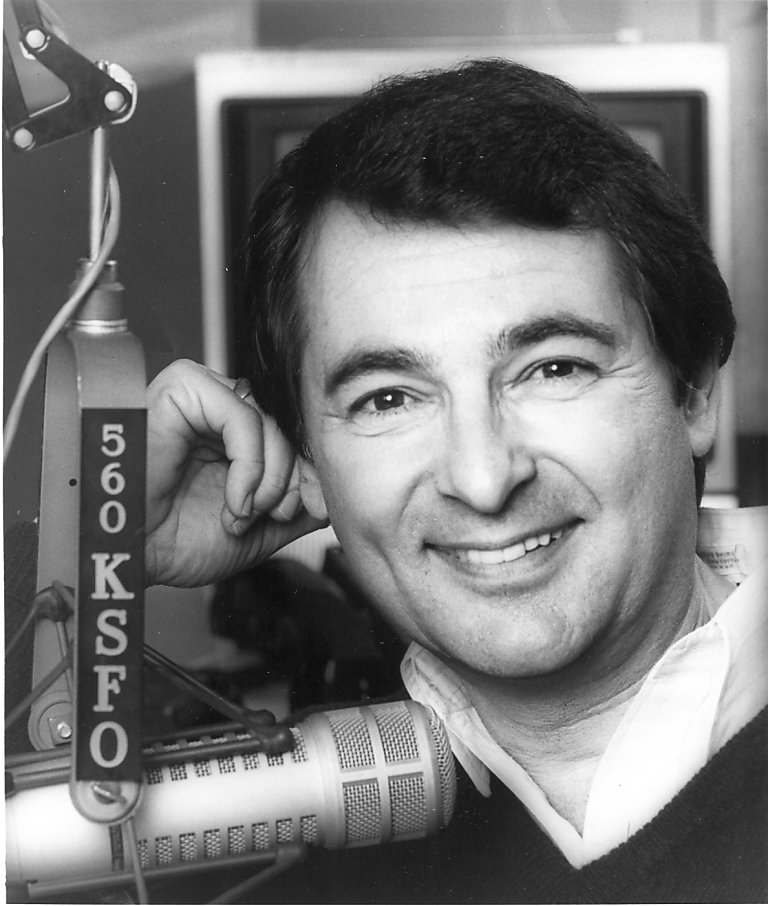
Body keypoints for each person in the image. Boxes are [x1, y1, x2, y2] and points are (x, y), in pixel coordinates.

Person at [144, 59, 767, 901]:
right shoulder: (294, 867)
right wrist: (95, 548)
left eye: (553, 369)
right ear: (308, 462)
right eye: (388, 399)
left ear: (692, 393)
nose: (482, 479)